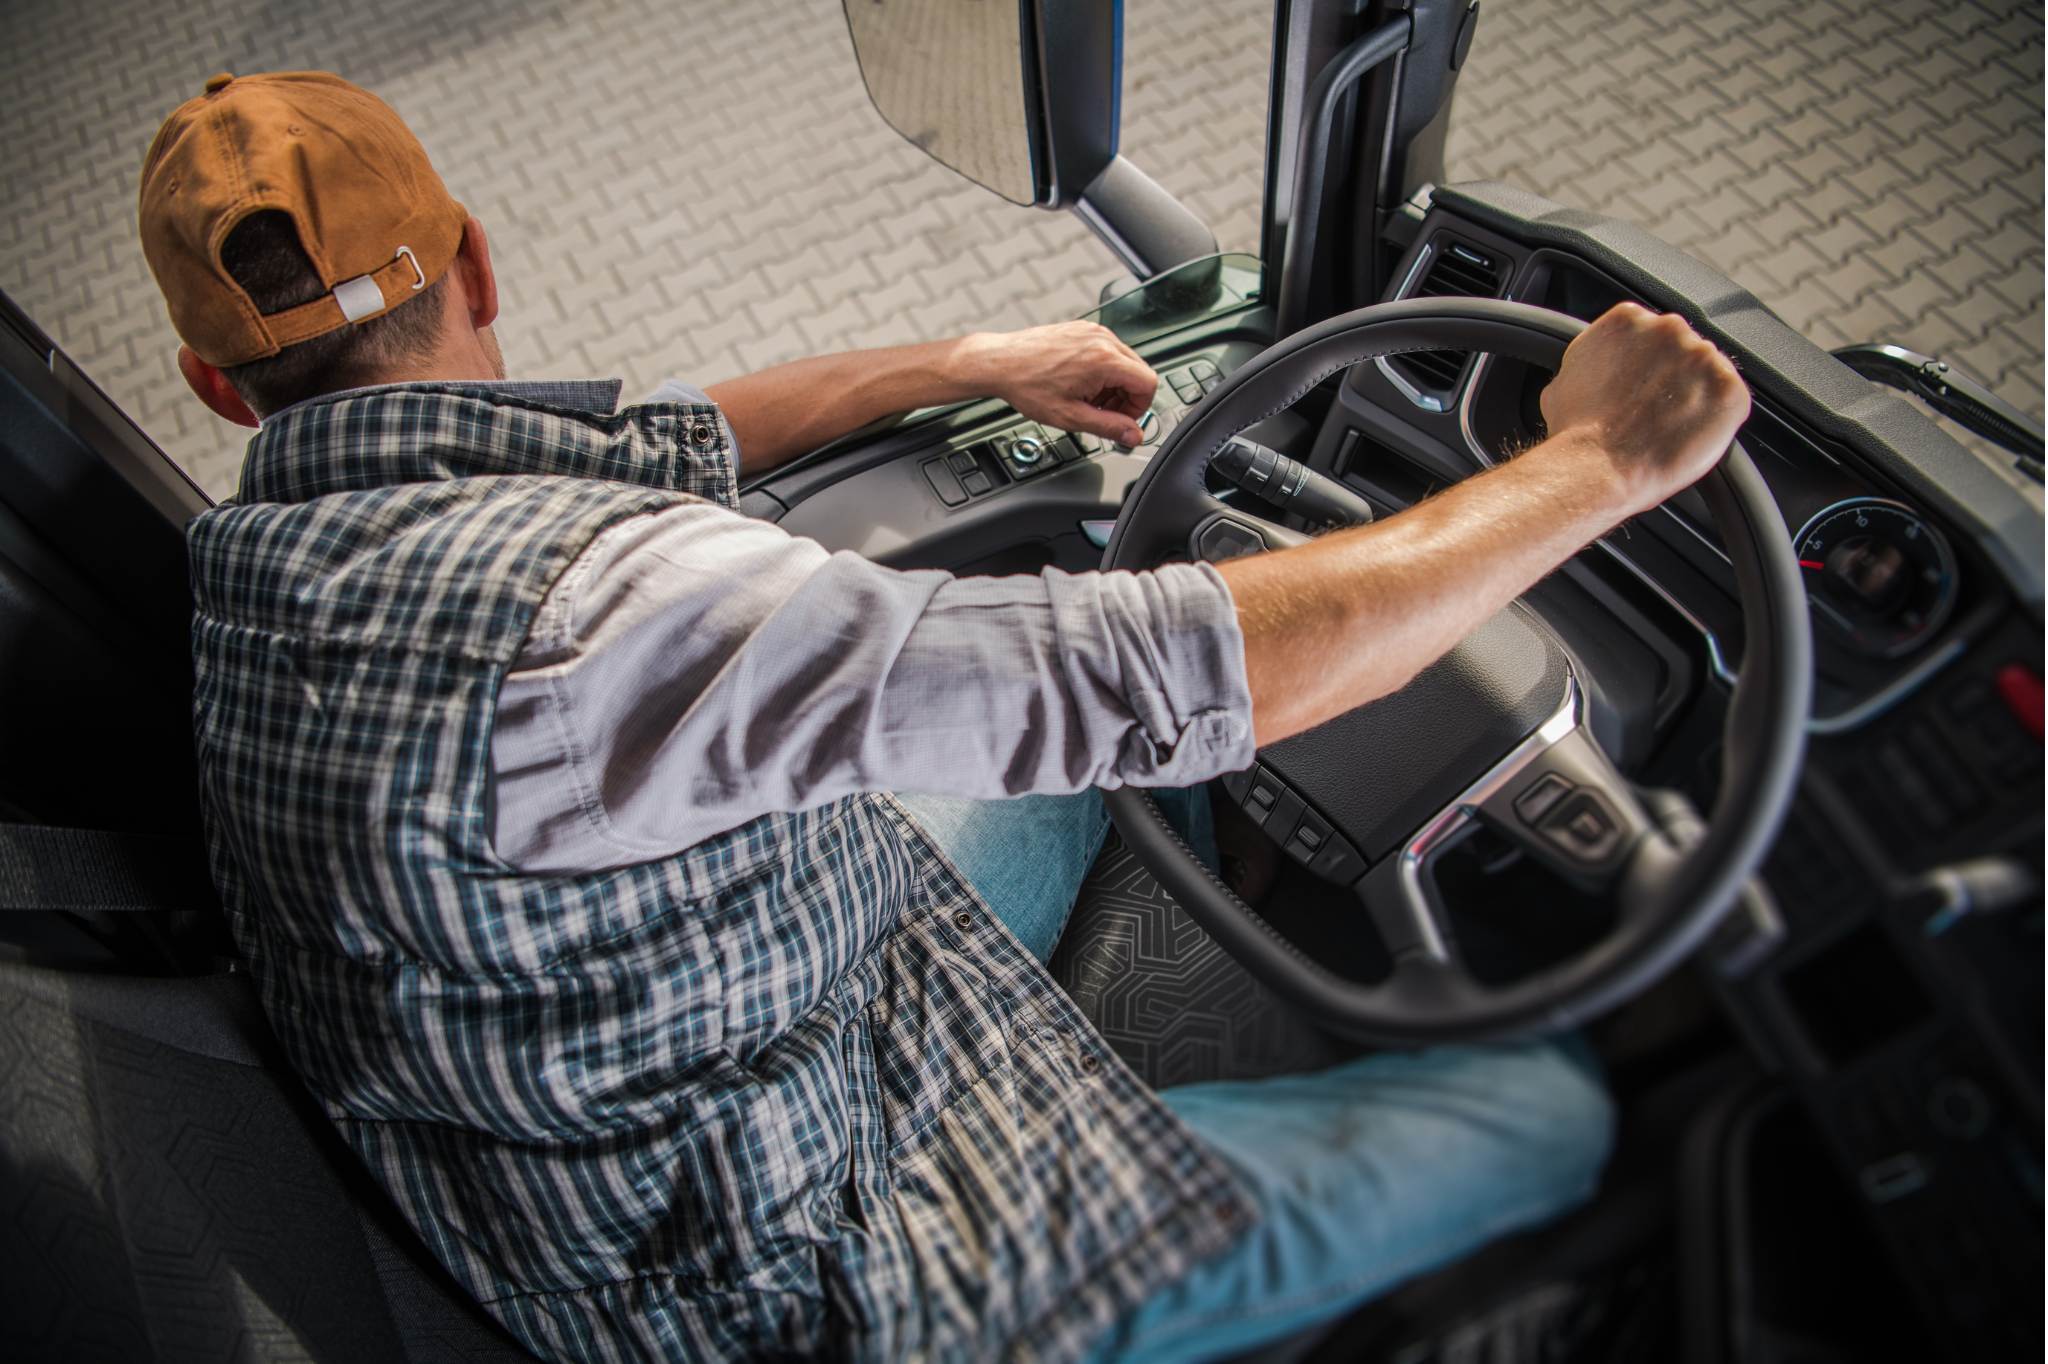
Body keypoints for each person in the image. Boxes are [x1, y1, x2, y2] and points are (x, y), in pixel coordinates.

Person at [140, 71, 1746, 1362]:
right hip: (802, 1276)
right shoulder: (610, 616)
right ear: (481, 262)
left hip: (628, 1118)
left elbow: (666, 435)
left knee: (1084, 771)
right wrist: (1603, 459)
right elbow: (1202, 671)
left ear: (217, 389)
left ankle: (1212, 966)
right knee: (1546, 1115)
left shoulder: (258, 553)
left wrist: (974, 361)